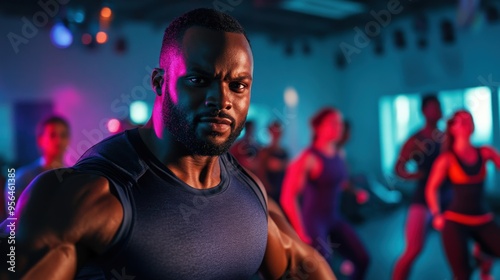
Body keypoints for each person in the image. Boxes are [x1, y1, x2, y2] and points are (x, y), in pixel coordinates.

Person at [0, 8, 335, 280]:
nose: (221, 100)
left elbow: (301, 267)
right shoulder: (89, 194)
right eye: (199, 80)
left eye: (238, 85)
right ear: (160, 83)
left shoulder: (251, 193)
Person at [281, 107, 370, 280]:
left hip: (334, 218)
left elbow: (340, 182)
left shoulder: (339, 154)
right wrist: (299, 231)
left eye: (340, 123)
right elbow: (287, 196)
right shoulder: (308, 158)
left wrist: (356, 192)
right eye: (333, 123)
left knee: (362, 259)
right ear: (318, 127)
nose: (339, 127)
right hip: (313, 222)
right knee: (323, 269)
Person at [426, 110, 500, 280]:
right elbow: (431, 188)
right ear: (452, 128)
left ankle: (481, 256)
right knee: (462, 274)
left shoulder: (485, 152)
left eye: (469, 119)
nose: (466, 122)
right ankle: (477, 261)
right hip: (455, 220)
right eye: (461, 120)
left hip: (483, 217)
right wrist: (436, 214)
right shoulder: (447, 159)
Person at [392, 95, 452, 280]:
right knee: (413, 249)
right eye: (434, 107)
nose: (438, 111)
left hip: (448, 196)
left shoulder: (447, 137)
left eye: (440, 107)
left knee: (460, 248)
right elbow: (399, 168)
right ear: (424, 111)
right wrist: (416, 175)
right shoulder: (415, 140)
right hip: (423, 197)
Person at [3, 115, 70, 210]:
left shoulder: (72, 177)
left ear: (68, 140)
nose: (58, 141)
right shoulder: (21, 178)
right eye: (52, 135)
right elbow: (12, 218)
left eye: (63, 135)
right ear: (40, 140)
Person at [256, 121, 289, 203]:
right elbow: (261, 172)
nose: (276, 134)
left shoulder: (284, 152)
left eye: (278, 131)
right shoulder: (264, 152)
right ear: (270, 132)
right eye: (274, 131)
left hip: (282, 192)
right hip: (269, 193)